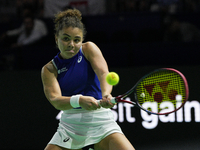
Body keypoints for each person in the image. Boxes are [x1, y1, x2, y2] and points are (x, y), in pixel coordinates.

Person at [41, 8, 135, 150]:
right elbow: (55, 100)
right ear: (56, 38)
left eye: (76, 40)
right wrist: (78, 100)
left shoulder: (88, 49)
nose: (71, 44)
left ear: (82, 40)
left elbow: (103, 73)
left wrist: (106, 94)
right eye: (66, 38)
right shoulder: (49, 69)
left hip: (102, 123)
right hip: (70, 127)